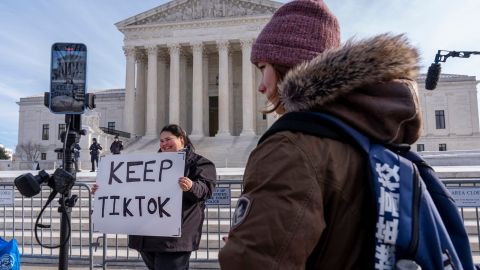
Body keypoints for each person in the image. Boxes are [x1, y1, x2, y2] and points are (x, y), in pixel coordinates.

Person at [218, 0, 421, 269]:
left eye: (263, 68)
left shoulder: (292, 148)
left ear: (288, 66)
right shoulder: (368, 136)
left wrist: (244, 247)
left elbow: (258, 262)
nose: (261, 86)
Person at [92, 124, 217, 270]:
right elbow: (130, 189)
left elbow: (206, 189)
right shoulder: (148, 164)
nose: (164, 144)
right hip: (146, 236)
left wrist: (191, 187)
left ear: (181, 139)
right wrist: (105, 190)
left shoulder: (200, 163)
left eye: (168, 139)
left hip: (174, 239)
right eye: (161, 141)